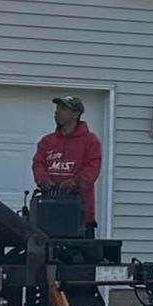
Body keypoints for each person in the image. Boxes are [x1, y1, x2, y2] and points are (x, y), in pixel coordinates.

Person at [32, 95, 102, 235]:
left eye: (63, 109)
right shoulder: (47, 141)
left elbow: (92, 168)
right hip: (48, 213)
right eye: (57, 108)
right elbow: (38, 164)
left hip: (79, 215)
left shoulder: (90, 141)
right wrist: (44, 180)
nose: (57, 112)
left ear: (75, 114)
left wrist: (75, 183)